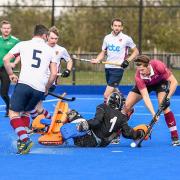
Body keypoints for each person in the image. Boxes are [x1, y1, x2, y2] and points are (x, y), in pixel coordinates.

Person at [3, 24, 58, 154]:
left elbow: (6, 59)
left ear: (34, 34)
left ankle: (25, 138)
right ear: (45, 36)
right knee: (27, 112)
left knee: (13, 114)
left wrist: (11, 74)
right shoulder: (51, 50)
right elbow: (54, 74)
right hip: (39, 88)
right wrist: (46, 88)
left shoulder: (23, 44)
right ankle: (23, 140)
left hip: (24, 84)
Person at [122, 54, 180, 146]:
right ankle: (117, 131)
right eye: (138, 70)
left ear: (148, 65)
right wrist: (154, 114)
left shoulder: (158, 66)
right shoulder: (139, 76)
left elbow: (174, 82)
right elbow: (145, 97)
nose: (140, 72)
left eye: (142, 69)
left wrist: (168, 98)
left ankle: (175, 137)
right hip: (145, 85)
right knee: (126, 106)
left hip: (160, 83)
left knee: (164, 106)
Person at [60, 92, 147, 147]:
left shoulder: (102, 106)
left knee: (73, 114)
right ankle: (116, 138)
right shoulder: (122, 117)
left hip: (85, 140)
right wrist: (140, 133)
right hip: (100, 144)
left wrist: (85, 124)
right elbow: (127, 133)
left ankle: (61, 120)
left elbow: (96, 122)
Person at [91, 18, 139, 102]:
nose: (117, 28)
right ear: (112, 26)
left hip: (118, 68)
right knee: (113, 89)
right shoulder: (107, 38)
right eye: (115, 25)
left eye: (119, 26)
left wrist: (127, 61)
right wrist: (97, 59)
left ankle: (105, 113)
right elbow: (103, 52)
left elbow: (136, 51)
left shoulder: (126, 38)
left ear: (122, 28)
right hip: (108, 67)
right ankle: (124, 101)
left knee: (106, 95)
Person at [30, 26, 73, 120]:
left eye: (56, 38)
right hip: (38, 79)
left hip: (50, 82)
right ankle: (48, 122)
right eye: (52, 38)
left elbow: (69, 60)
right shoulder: (41, 47)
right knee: (38, 107)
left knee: (33, 105)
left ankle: (43, 123)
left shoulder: (61, 50)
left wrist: (68, 70)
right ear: (46, 37)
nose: (54, 40)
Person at [0, 20, 20, 117]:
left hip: (6, 70)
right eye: (4, 28)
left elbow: (20, 55)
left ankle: (9, 107)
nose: (6, 30)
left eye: (8, 28)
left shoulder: (15, 41)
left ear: (10, 29)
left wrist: (15, 63)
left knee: (3, 92)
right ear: (1, 29)